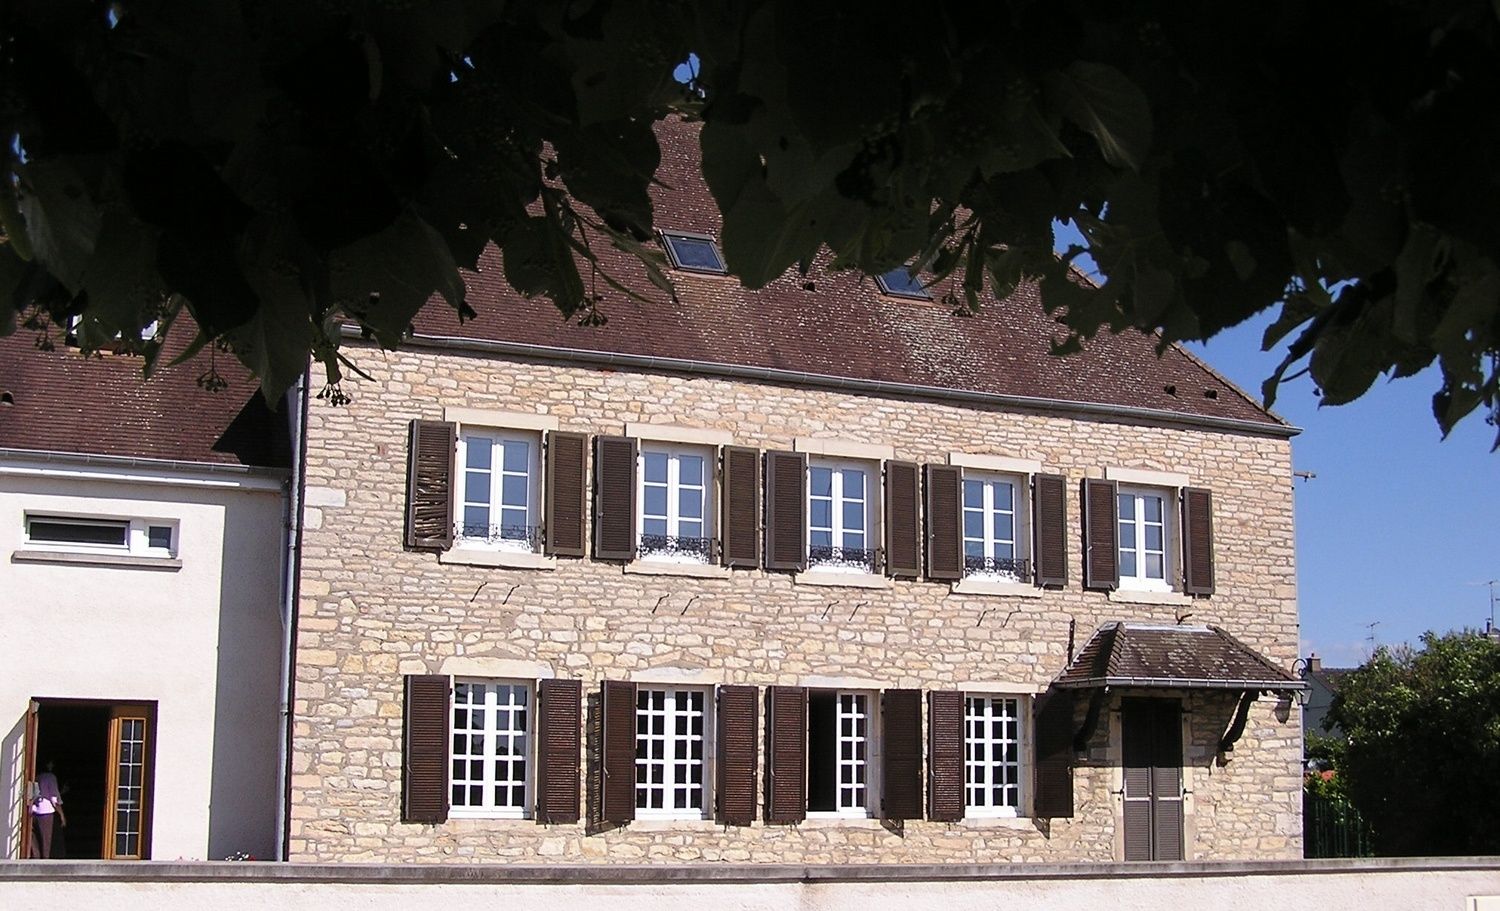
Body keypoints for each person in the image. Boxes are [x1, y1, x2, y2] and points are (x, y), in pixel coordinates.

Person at [28, 761, 66, 859]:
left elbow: (34, 795)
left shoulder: (36, 777)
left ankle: (36, 860)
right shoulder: (50, 777)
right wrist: (62, 815)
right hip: (47, 813)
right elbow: (54, 798)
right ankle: (46, 863)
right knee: (47, 842)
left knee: (36, 841)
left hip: (35, 813)